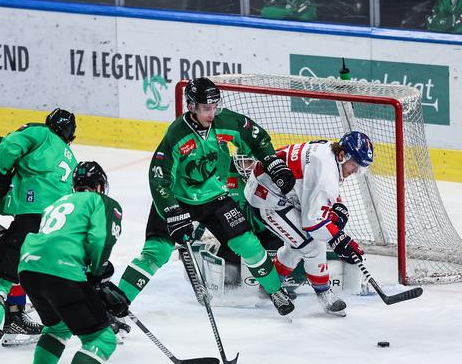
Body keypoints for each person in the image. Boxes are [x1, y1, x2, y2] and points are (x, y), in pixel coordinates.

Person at [117, 77, 296, 321]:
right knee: (155, 252)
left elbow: (256, 137)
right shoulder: (177, 135)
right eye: (205, 108)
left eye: (214, 106)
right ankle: (115, 305)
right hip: (178, 199)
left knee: (248, 244)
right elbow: (158, 176)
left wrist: (273, 162)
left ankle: (276, 291)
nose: (212, 113)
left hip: (214, 196)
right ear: (191, 107)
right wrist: (171, 210)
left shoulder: (224, 121)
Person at [0, 108, 79, 364]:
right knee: (27, 271)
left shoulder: (40, 132)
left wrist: (0, 179)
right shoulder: (70, 158)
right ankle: (16, 319)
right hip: (62, 229)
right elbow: (33, 196)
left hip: (33, 223)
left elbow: (11, 146)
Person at [16, 161, 126, 364]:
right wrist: (98, 274)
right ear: (100, 186)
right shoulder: (102, 201)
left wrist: (91, 278)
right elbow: (99, 239)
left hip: (29, 268)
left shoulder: (56, 203)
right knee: (102, 339)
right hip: (61, 269)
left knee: (59, 327)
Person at [243, 131, 373, 317]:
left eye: (361, 167)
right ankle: (325, 297)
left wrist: (337, 206)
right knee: (312, 246)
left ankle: (269, 288)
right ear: (343, 155)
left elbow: (319, 190)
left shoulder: (330, 153)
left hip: (278, 189)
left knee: (298, 244)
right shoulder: (326, 172)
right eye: (355, 165)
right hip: (267, 198)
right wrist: (340, 240)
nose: (356, 171)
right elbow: (313, 223)